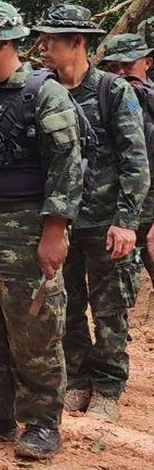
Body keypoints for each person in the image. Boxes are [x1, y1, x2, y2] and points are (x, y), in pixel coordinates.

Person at [0, 2, 82, 461]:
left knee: (34, 330)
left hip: (25, 227)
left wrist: (54, 231)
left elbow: (67, 167)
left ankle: (42, 422)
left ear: (5, 43)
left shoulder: (43, 93)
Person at [34, 5, 150, 422]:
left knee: (110, 308)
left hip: (105, 222)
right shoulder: (42, 90)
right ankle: (77, 380)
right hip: (60, 222)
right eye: (42, 37)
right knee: (66, 306)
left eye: (52, 39)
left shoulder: (112, 91)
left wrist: (126, 222)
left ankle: (108, 387)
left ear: (78, 42)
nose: (42, 46)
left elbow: (135, 161)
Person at [99, 33, 154, 292]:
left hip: (150, 214)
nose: (121, 73)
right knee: (116, 294)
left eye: (128, 65)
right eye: (113, 67)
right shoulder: (104, 102)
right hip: (117, 215)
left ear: (147, 63)